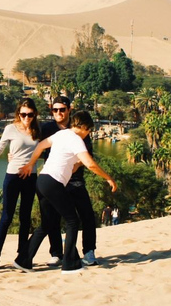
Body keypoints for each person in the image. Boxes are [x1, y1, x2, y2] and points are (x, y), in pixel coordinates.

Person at [17, 110, 117, 274]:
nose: (88, 134)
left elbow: (41, 145)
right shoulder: (76, 139)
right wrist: (108, 178)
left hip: (42, 180)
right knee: (72, 221)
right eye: (89, 131)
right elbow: (90, 164)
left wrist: (30, 163)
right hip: (53, 182)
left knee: (47, 223)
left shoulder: (61, 134)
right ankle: (70, 263)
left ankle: (23, 260)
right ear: (84, 126)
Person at [0, 98, 40, 269]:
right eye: (23, 114)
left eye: (30, 114)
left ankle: (21, 255)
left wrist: (31, 164)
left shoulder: (38, 130)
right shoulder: (10, 129)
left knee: (25, 217)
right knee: (7, 217)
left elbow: (43, 151)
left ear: (35, 114)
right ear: (19, 113)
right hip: (12, 176)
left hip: (31, 177)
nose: (27, 117)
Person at [37, 96, 100, 266]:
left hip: (75, 180)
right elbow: (35, 145)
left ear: (69, 110)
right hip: (55, 179)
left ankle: (89, 252)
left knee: (86, 215)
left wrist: (76, 164)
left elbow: (88, 156)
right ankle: (56, 253)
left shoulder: (80, 127)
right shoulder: (47, 128)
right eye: (55, 110)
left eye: (62, 109)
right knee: (52, 218)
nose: (58, 113)